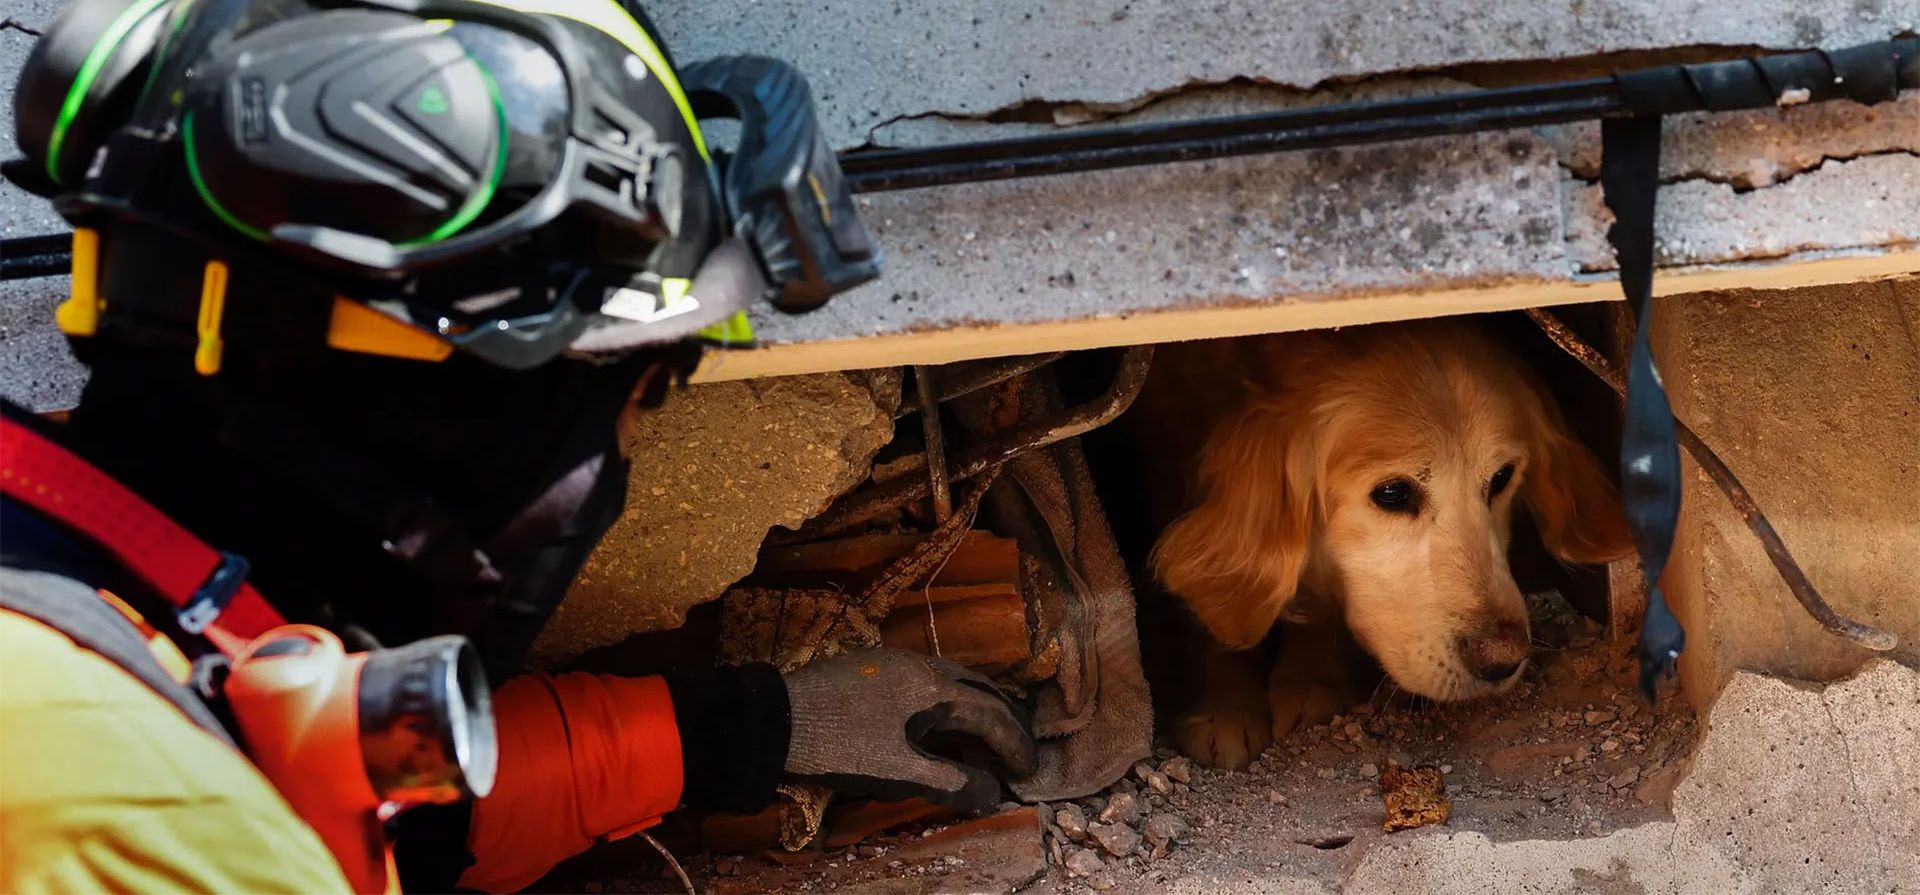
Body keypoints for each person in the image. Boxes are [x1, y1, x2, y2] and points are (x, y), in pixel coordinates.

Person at [0, 0, 1035, 892]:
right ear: (465, 415)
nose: (614, 474)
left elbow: (368, 799)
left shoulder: (89, 629)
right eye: (634, 403)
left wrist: (732, 732)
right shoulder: (150, 827)